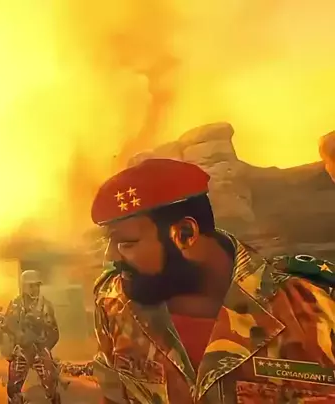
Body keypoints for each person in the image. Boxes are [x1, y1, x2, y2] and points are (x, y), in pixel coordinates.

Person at [87, 158, 335, 403]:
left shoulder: (314, 305)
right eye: (110, 242)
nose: (111, 257)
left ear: (185, 234)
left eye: (127, 243)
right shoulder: (114, 302)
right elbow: (114, 394)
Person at [2, 270, 61, 404]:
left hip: (40, 349)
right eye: (31, 286)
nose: (35, 289)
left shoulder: (45, 305)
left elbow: (54, 332)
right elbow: (6, 324)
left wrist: (44, 346)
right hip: (21, 350)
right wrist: (18, 335)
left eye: (37, 285)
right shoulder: (16, 304)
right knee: (13, 390)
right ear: (24, 286)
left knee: (51, 387)